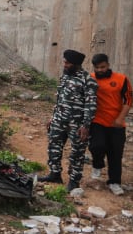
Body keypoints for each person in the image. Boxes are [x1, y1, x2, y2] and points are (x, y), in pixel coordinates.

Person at [39, 50, 98, 192]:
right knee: (54, 147)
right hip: (59, 120)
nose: (64, 64)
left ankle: (74, 181)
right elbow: (60, 99)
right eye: (64, 61)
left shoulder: (87, 80)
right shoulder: (65, 77)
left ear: (76, 64)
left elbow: (91, 105)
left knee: (77, 152)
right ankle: (55, 174)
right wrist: (53, 117)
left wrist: (86, 125)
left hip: (76, 125)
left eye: (67, 63)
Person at [88, 54, 132, 195]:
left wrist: (120, 118)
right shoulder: (90, 79)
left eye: (103, 67)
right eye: (97, 68)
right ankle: (97, 165)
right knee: (96, 146)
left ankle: (114, 182)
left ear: (108, 65)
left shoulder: (121, 79)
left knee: (115, 154)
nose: (100, 70)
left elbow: (128, 100)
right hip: (97, 121)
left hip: (116, 123)